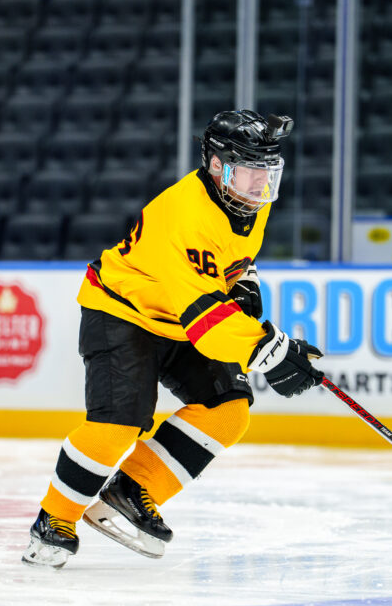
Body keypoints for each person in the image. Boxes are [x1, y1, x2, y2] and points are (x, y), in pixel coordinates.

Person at [22, 110, 324, 569]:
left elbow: (233, 262)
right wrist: (270, 350)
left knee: (228, 410)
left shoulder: (247, 201)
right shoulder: (184, 214)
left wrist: (244, 282)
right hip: (122, 312)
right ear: (219, 166)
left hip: (177, 317)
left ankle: (131, 490)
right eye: (250, 171)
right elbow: (208, 322)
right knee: (119, 422)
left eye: (267, 172)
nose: (260, 184)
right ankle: (53, 521)